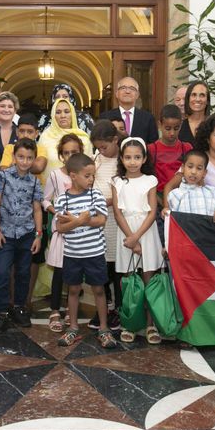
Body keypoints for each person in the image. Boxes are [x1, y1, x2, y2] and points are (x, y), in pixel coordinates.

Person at [53, 153, 116, 349]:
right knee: (73, 289)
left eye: (92, 176)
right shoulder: (62, 200)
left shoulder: (94, 195)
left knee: (99, 289)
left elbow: (101, 221)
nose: (91, 179)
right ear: (73, 176)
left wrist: (77, 220)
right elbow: (60, 228)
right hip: (72, 254)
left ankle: (104, 329)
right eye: (87, 175)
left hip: (94, 253)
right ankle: (72, 327)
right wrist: (80, 220)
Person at [0, 138, 43, 334]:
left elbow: (37, 209)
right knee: (2, 272)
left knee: (23, 273)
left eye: (29, 158)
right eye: (21, 157)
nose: (25, 161)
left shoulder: (35, 181)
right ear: (14, 156)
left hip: (27, 234)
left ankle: (19, 307)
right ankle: (1, 311)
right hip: (5, 233)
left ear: (34, 159)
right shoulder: (3, 177)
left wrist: (38, 235)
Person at [112, 137, 163, 344]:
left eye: (137, 157)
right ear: (122, 159)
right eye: (128, 157)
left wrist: (137, 237)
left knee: (149, 280)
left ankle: (150, 325)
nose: (132, 162)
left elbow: (152, 212)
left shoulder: (150, 180)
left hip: (146, 232)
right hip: (125, 233)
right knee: (129, 281)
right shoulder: (117, 182)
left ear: (144, 159)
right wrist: (130, 239)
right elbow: (117, 212)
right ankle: (130, 323)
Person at [42, 134, 83, 333]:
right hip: (62, 230)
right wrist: (55, 211)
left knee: (74, 271)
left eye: (74, 152)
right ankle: (55, 309)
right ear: (61, 155)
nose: (70, 156)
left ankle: (70, 308)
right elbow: (45, 199)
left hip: (81, 231)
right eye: (66, 153)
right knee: (59, 271)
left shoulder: (85, 174)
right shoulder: (55, 176)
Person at [89, 120, 124, 331]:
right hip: (100, 223)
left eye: (104, 146)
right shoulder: (96, 159)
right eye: (98, 147)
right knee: (101, 267)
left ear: (115, 140)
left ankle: (119, 310)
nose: (101, 151)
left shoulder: (124, 159)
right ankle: (105, 307)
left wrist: (107, 201)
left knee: (117, 268)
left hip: (118, 222)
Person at [167, 150, 215, 224]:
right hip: (187, 234)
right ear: (183, 168)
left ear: (204, 173)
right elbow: (172, 220)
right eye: (190, 167)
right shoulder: (174, 194)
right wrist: (165, 213)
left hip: (208, 233)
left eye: (199, 168)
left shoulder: (212, 192)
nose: (193, 172)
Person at [39, 98, 93, 178]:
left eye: (67, 112)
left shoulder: (83, 137)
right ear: (53, 116)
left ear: (73, 114)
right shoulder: (45, 136)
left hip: (79, 187)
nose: (63, 116)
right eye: (58, 112)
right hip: (51, 186)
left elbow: (89, 168)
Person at [100, 77, 158, 143]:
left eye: (132, 88)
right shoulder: (105, 117)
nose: (127, 91)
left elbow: (153, 145)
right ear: (116, 94)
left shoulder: (148, 118)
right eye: (123, 88)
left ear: (137, 95)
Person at [149, 105, 193, 194]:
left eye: (176, 128)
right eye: (168, 128)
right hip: (158, 197)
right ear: (160, 125)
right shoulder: (151, 149)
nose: (172, 133)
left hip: (183, 196)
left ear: (181, 125)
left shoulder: (187, 148)